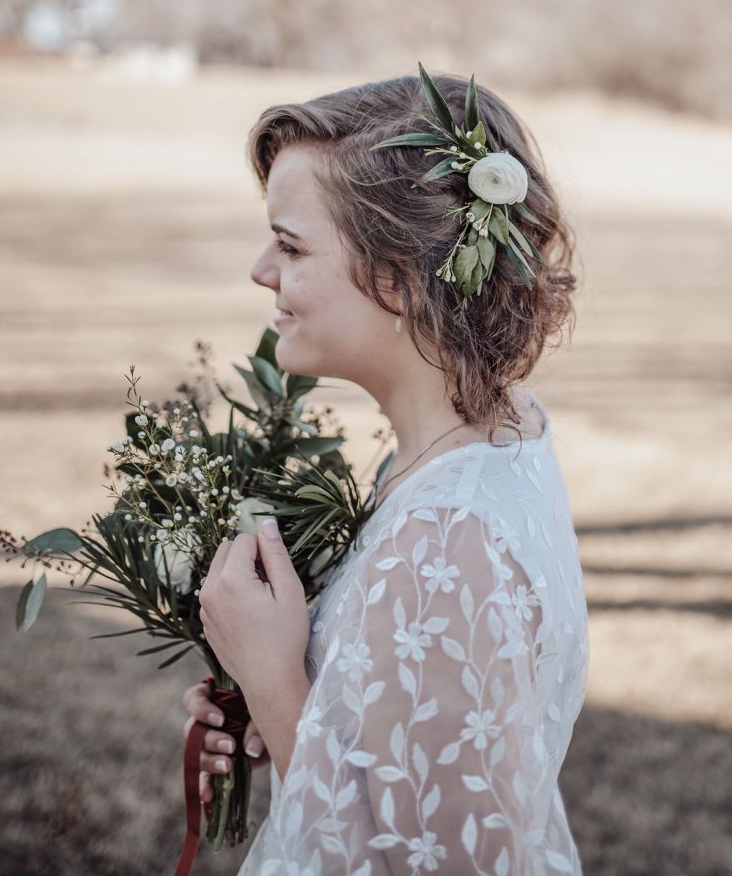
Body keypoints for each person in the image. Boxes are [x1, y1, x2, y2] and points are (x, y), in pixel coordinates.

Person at [186, 65, 589, 875]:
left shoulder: (446, 542)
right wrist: (294, 689)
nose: (261, 268)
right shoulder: (480, 444)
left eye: (292, 244)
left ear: (399, 278)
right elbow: (407, 781)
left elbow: (439, 863)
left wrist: (272, 684)